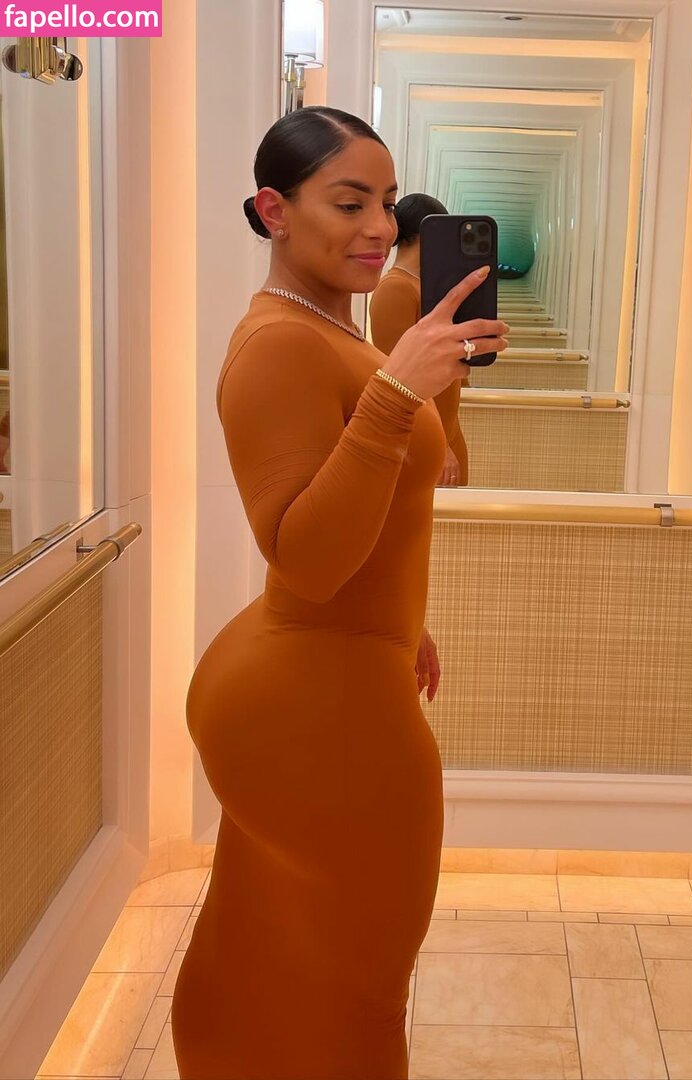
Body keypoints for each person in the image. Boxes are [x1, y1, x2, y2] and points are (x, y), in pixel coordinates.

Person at [170, 106, 509, 1080]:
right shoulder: (277, 344)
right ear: (274, 211)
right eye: (347, 202)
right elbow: (304, 558)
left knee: (263, 942)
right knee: (362, 988)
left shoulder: (327, 330)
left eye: (386, 203)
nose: (377, 227)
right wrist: (398, 396)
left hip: (326, 670)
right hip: (314, 698)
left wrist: (401, 617)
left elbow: (359, 520)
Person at [369, 193, 471, 486]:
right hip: (426, 436)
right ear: (427, 232)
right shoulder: (395, 289)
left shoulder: (423, 287)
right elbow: (402, 381)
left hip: (446, 429)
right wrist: (438, 445)